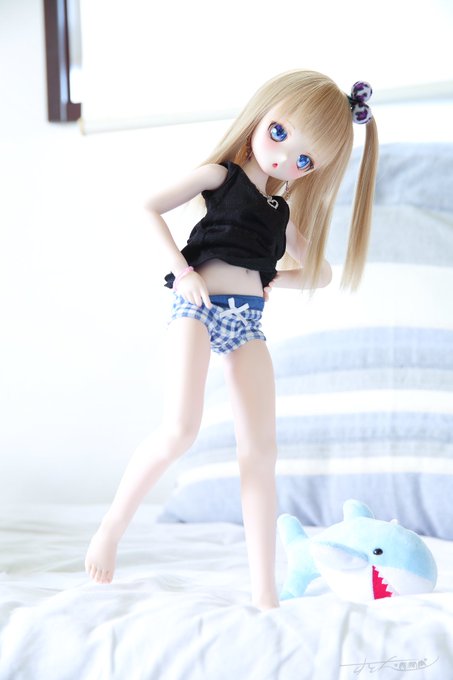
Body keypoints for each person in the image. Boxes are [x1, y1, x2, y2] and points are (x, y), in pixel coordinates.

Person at [85, 70, 378, 610]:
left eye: (304, 160)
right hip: (196, 306)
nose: (284, 158)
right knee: (180, 429)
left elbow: (320, 273)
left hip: (247, 321)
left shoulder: (280, 213)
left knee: (261, 452)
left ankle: (264, 588)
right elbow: (149, 207)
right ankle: (111, 527)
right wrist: (183, 272)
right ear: (260, 117)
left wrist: (274, 280)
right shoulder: (220, 178)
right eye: (279, 133)